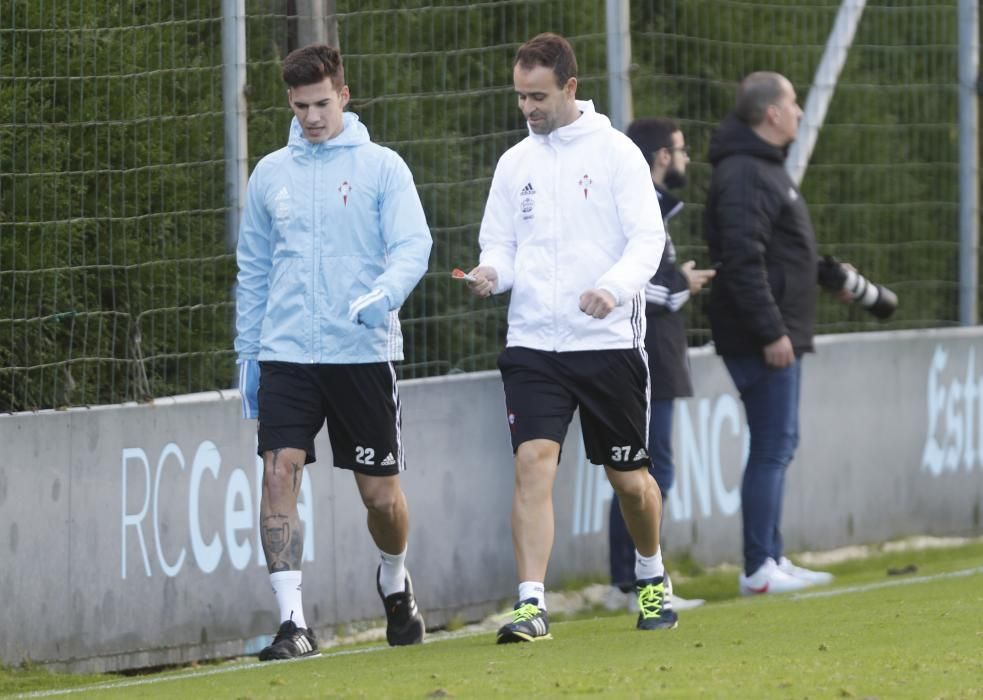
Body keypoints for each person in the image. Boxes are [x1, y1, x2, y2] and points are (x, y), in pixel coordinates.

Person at [468, 32, 677, 641]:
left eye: (537, 96)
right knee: (533, 463)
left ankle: (651, 572)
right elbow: (500, 247)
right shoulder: (515, 163)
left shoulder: (616, 154)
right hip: (534, 343)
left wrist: (611, 289)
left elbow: (648, 241)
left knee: (630, 480)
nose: (528, 109)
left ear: (570, 88)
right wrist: (491, 275)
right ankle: (532, 605)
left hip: (607, 341)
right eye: (519, 98)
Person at [235, 44, 431, 659]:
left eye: (322, 103)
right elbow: (254, 270)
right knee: (277, 473)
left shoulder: (383, 168)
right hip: (287, 353)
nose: (312, 116)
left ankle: (394, 577)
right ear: (289, 104)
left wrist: (385, 293)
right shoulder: (270, 174)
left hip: (361, 352)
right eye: (300, 106)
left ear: (343, 96)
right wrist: (249, 356)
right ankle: (293, 623)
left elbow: (413, 245)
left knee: (380, 496)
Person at [704, 71, 837, 595]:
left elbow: (775, 252)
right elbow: (742, 258)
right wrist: (770, 330)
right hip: (762, 337)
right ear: (771, 113)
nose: (800, 112)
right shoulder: (744, 173)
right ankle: (759, 567)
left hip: (777, 332)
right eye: (793, 103)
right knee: (771, 444)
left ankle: (772, 556)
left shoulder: (764, 168)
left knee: (780, 442)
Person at [606, 118, 715, 613]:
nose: (687, 159)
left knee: (640, 469)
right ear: (662, 156)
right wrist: (678, 287)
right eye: (681, 150)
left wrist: (676, 280)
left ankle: (635, 581)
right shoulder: (637, 203)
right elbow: (632, 280)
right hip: (644, 354)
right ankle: (637, 584)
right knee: (642, 471)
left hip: (659, 353)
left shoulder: (655, 207)